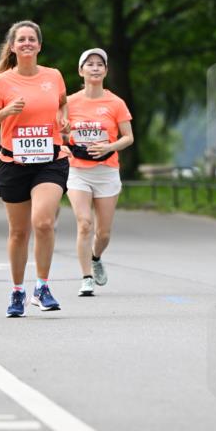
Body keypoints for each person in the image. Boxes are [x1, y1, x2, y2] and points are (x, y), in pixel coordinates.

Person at [0, 20, 70, 317]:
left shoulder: (53, 76)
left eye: (32, 39)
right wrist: (6, 111)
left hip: (50, 160)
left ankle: (42, 287)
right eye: (22, 40)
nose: (27, 43)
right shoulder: (2, 82)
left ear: (39, 45)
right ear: (14, 46)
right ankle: (18, 291)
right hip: (13, 163)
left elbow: (61, 104)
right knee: (19, 232)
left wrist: (63, 119)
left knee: (43, 222)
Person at [65, 49, 134, 296]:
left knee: (103, 233)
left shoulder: (115, 103)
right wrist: (65, 142)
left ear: (105, 71)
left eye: (99, 64)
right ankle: (86, 278)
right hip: (78, 171)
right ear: (81, 71)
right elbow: (60, 133)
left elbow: (128, 137)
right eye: (89, 64)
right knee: (84, 224)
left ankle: (96, 257)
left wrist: (109, 146)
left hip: (106, 171)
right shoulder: (69, 102)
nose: (95, 68)